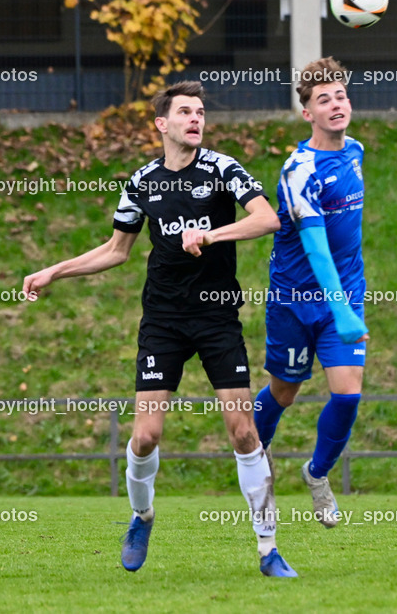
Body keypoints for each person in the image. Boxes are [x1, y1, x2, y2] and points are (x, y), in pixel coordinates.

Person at [22, 81, 297, 577]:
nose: (196, 119)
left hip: (216, 317)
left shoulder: (221, 169)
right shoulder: (142, 181)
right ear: (161, 124)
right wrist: (54, 271)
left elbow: (267, 219)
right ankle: (142, 515)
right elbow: (116, 250)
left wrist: (211, 235)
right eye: (185, 112)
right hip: (163, 322)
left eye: (201, 112)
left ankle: (268, 547)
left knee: (243, 432)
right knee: (146, 436)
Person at [251, 57, 369, 528]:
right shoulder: (299, 171)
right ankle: (255, 457)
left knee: (348, 394)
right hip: (295, 301)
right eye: (324, 100)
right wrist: (342, 311)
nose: (336, 104)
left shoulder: (355, 151)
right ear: (308, 114)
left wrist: (346, 305)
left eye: (341, 95)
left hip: (346, 293)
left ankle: (317, 474)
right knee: (284, 391)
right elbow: (317, 248)